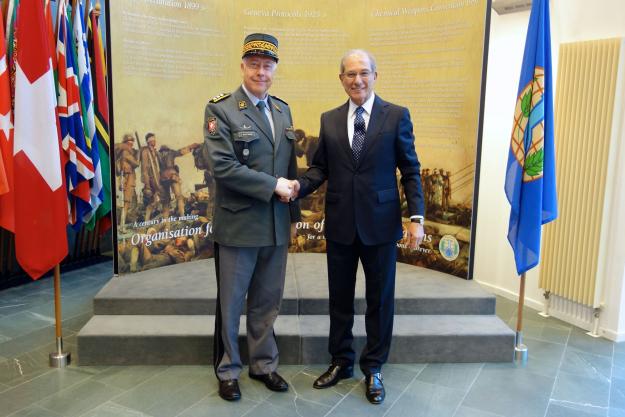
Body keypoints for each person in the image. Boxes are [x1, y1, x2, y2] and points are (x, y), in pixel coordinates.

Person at [290, 49, 425, 405]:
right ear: (341, 79)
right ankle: (341, 361)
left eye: (363, 73)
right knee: (340, 300)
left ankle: (374, 366)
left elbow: (410, 169)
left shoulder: (396, 116)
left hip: (380, 226)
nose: (357, 80)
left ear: (375, 75)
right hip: (340, 225)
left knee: (380, 300)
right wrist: (297, 187)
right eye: (350, 74)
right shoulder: (329, 119)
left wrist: (417, 217)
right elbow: (320, 169)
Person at [203, 33, 300, 402]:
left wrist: (293, 215)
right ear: (242, 66)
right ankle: (228, 370)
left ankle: (263, 364)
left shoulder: (282, 110)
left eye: (268, 65)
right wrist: (274, 185)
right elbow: (223, 167)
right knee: (231, 303)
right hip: (239, 224)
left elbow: (290, 166)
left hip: (276, 225)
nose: (261, 72)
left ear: (275, 69)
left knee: (267, 300)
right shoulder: (221, 110)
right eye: (254, 64)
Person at [115, 133, 139, 230]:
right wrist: (138, 155)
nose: (131, 145)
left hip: (129, 180)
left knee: (132, 203)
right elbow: (136, 163)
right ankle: (122, 226)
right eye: (129, 143)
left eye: (132, 143)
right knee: (126, 204)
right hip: (127, 180)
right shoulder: (125, 152)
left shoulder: (125, 152)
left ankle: (128, 224)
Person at [140, 133, 162, 221]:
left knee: (154, 201)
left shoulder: (155, 152)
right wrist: (147, 185)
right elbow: (144, 169)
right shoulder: (145, 152)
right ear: (149, 141)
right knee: (153, 201)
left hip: (157, 180)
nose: (155, 141)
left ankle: (148, 220)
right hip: (151, 180)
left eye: (155, 139)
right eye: (153, 139)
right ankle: (147, 220)